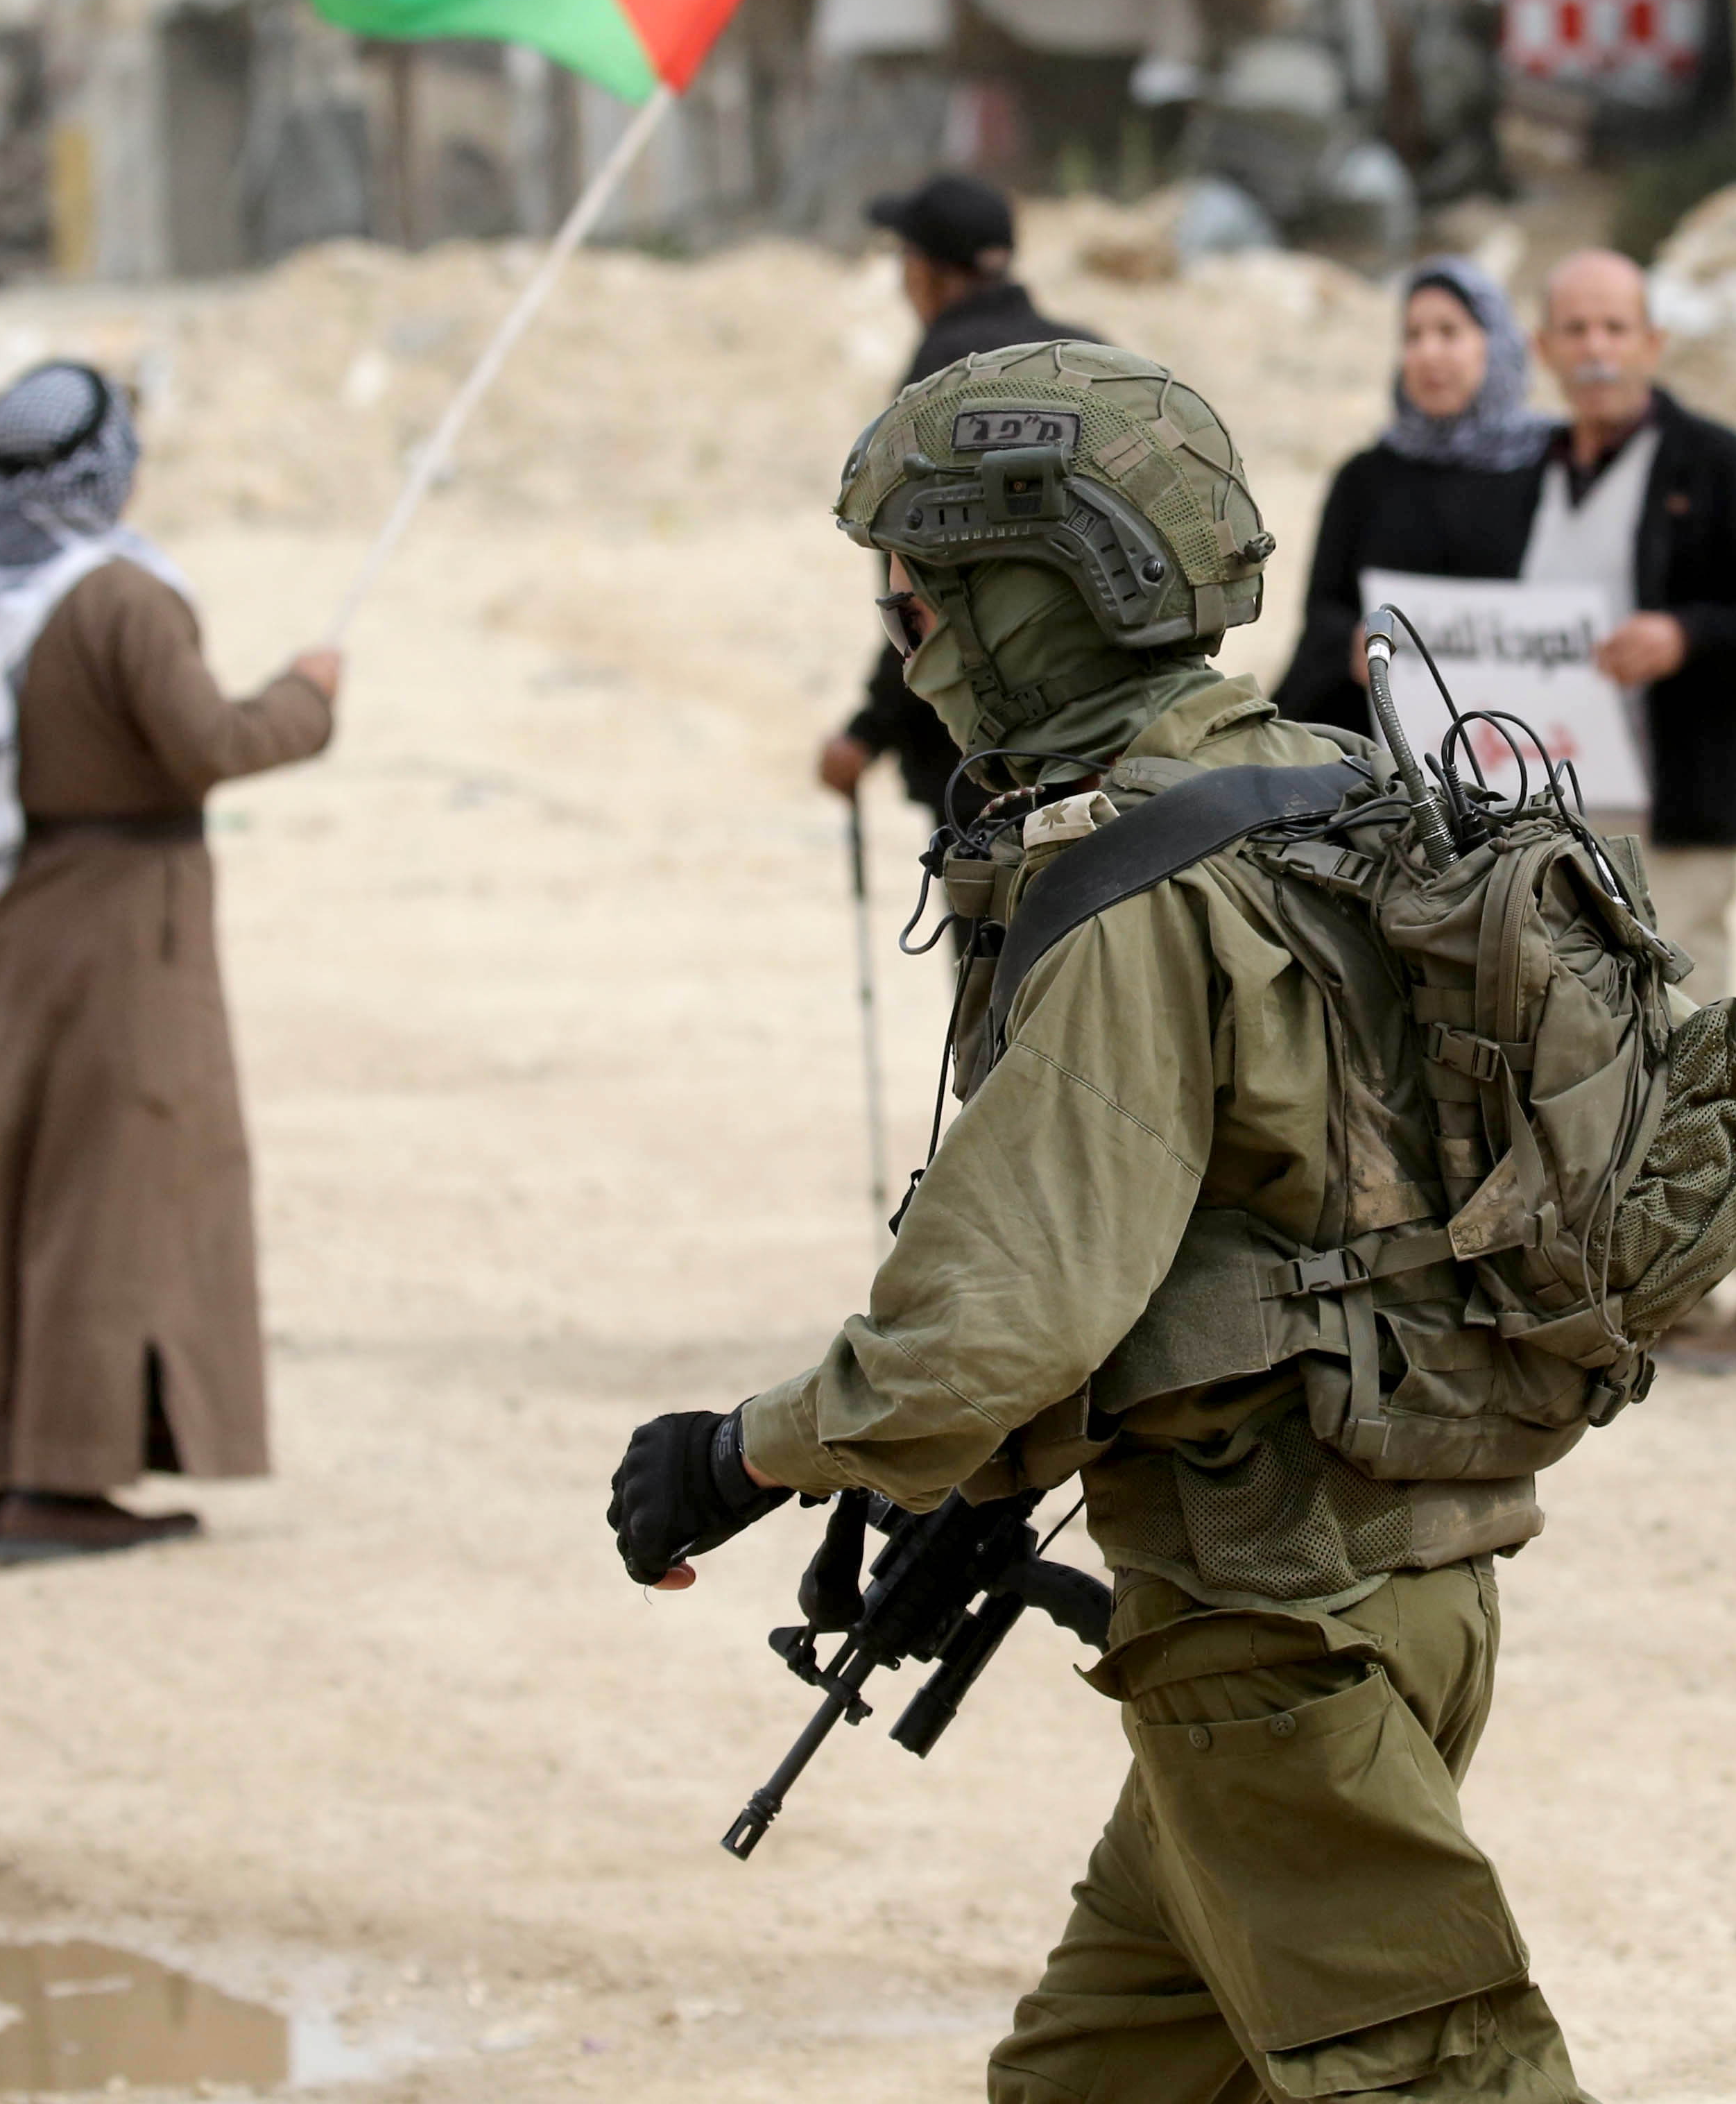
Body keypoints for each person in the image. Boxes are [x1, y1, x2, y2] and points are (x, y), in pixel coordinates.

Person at [610, 341, 1593, 2104]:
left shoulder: (1135, 888)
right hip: (1395, 1587)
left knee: (1441, 2080)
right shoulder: (1323, 785)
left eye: (923, 597)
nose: (906, 635)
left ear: (1041, 601)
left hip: (1276, 1644)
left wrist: (737, 1457)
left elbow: (990, 1329)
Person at [0, 361, 340, 1564]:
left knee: (8, 1190)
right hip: (121, 937)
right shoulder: (121, 603)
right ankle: (59, 1487)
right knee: (108, 1199)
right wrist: (309, 698)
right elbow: (211, 745)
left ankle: (11, 1467)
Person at [1528, 248, 1736, 1371]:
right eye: (1576, 328)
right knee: (1600, 1062)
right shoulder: (1530, 473)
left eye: (1617, 327)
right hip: (1565, 816)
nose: (1597, 349)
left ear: (1653, 342)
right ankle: (1674, 1286)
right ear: (1546, 348)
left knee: (1699, 1049)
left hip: (1680, 808)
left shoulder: (1716, 462)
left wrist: (1684, 636)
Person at [816, 171, 1083, 818]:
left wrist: (869, 728)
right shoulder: (1086, 353)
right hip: (1111, 736)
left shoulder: (939, 381)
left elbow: (922, 587)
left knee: (991, 888)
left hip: (984, 749)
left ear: (927, 271)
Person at [1275, 254, 1554, 735]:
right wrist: (1356, 645)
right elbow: (1324, 612)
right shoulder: (1365, 477)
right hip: (1373, 730)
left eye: (1449, 332)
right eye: (1413, 336)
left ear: (1496, 343)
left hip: (1514, 736)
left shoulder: (1548, 466)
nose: (1428, 353)